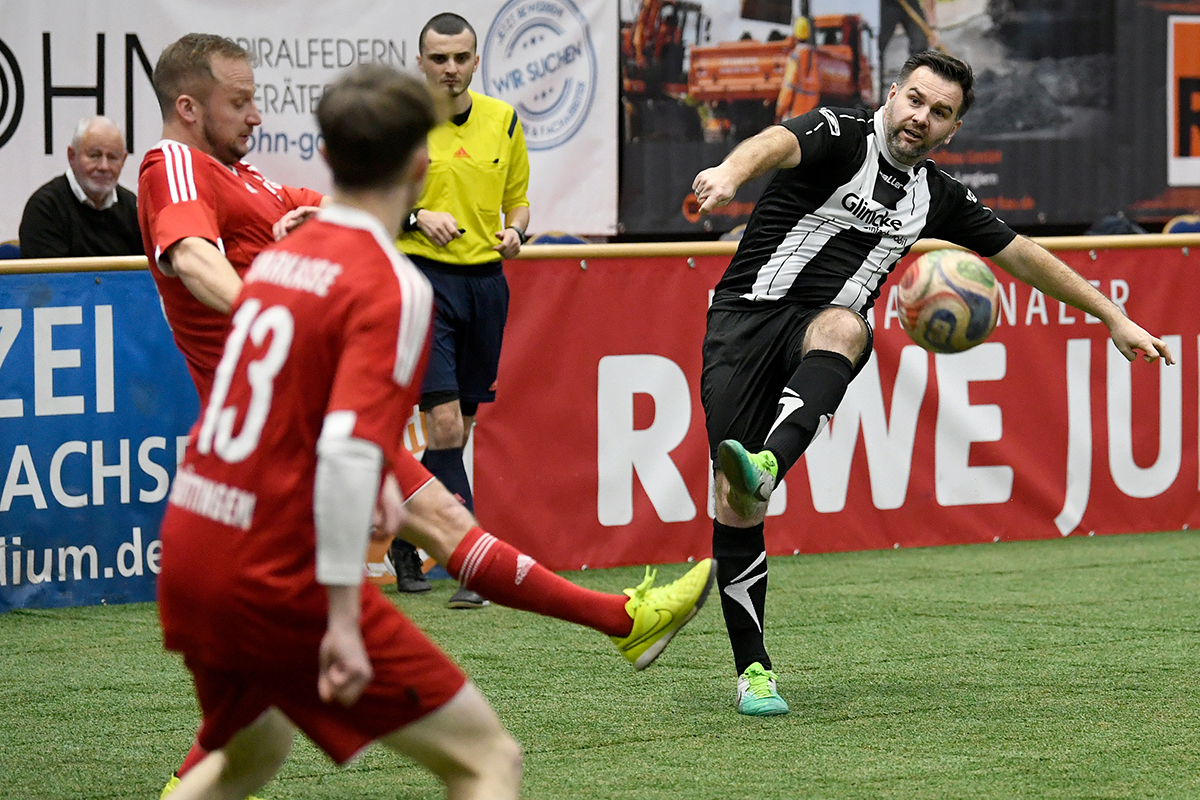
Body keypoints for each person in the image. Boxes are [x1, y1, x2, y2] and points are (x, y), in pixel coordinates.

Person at [142, 34, 713, 798]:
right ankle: (624, 621)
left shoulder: (279, 252)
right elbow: (342, 446)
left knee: (250, 746)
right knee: (486, 760)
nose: (253, 115)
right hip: (279, 510)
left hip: (198, 529)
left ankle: (623, 620)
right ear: (420, 166)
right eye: (240, 101)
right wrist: (343, 614)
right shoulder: (357, 273)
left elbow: (300, 219)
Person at [690, 50, 1174, 717]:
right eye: (915, 100)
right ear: (892, 95)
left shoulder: (937, 196)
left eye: (940, 112)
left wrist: (1112, 315)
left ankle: (770, 462)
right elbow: (774, 143)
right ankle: (752, 665)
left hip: (822, 327)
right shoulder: (839, 134)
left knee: (846, 326)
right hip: (742, 323)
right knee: (735, 505)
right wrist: (728, 172)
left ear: (953, 129)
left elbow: (1024, 256)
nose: (922, 117)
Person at [392, 12, 531, 609]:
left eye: (460, 58)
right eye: (438, 58)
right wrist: (415, 216)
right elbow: (373, 203)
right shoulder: (400, 124)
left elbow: (518, 202)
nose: (450, 68)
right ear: (420, 62)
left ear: (476, 61)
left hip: (487, 285)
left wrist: (517, 232)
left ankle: (403, 538)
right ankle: (473, 564)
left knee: (460, 430)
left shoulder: (503, 119)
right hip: (422, 281)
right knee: (445, 425)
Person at [18, 116, 142, 258]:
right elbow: (49, 272)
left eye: (112, 157)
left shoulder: (133, 208)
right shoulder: (44, 208)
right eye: (94, 156)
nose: (104, 166)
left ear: (124, 160)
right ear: (72, 156)